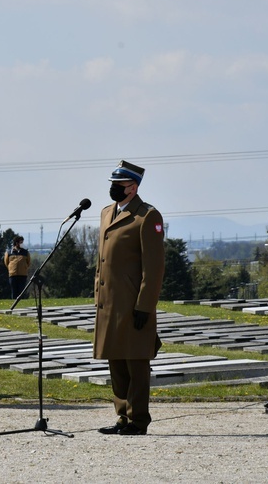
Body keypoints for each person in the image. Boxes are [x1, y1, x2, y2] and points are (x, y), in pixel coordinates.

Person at [94, 160, 165, 436]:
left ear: (133, 188)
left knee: (136, 362)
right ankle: (122, 416)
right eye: (112, 184)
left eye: (119, 185)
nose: (113, 189)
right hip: (109, 304)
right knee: (116, 362)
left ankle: (138, 420)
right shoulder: (105, 213)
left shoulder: (147, 216)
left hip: (133, 304)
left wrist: (145, 306)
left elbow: (154, 267)